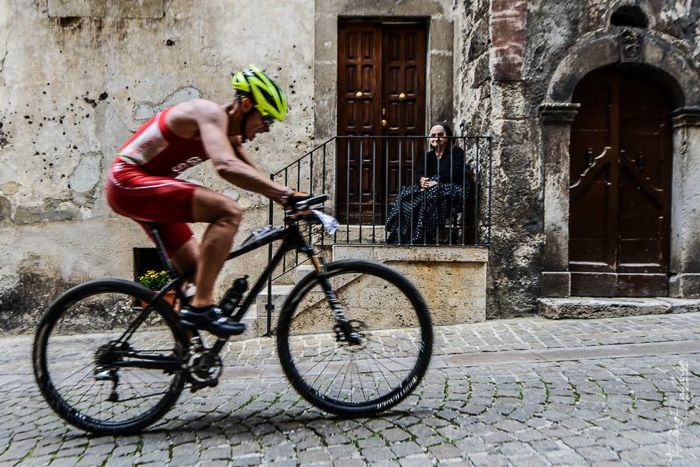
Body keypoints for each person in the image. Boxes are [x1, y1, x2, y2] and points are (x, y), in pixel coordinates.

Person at [106, 66, 299, 337]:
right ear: (245, 104)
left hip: (148, 189)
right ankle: (202, 307)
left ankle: (185, 357)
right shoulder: (208, 113)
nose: (265, 129)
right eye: (266, 119)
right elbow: (225, 165)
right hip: (127, 181)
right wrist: (281, 194)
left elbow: (251, 173)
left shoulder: (229, 134)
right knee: (228, 212)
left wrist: (285, 195)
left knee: (196, 272)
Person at [386, 123, 468, 245]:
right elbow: (420, 173)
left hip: (453, 187)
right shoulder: (428, 156)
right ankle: (400, 234)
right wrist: (421, 180)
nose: (436, 138)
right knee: (406, 194)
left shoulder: (456, 152)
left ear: (448, 137)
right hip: (431, 188)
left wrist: (437, 180)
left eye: (440, 135)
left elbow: (458, 171)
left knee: (431, 194)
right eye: (433, 135)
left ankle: (421, 236)